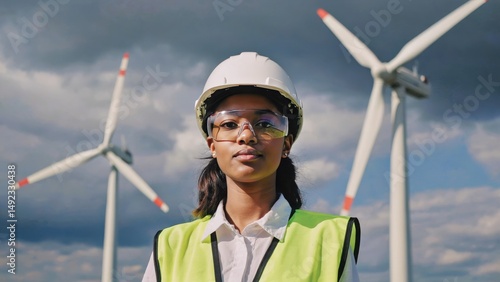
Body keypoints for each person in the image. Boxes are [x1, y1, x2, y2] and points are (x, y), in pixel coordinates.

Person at [142, 52, 360, 282]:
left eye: (265, 124)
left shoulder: (329, 240)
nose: (247, 135)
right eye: (229, 124)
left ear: (287, 143)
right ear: (212, 145)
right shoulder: (170, 248)